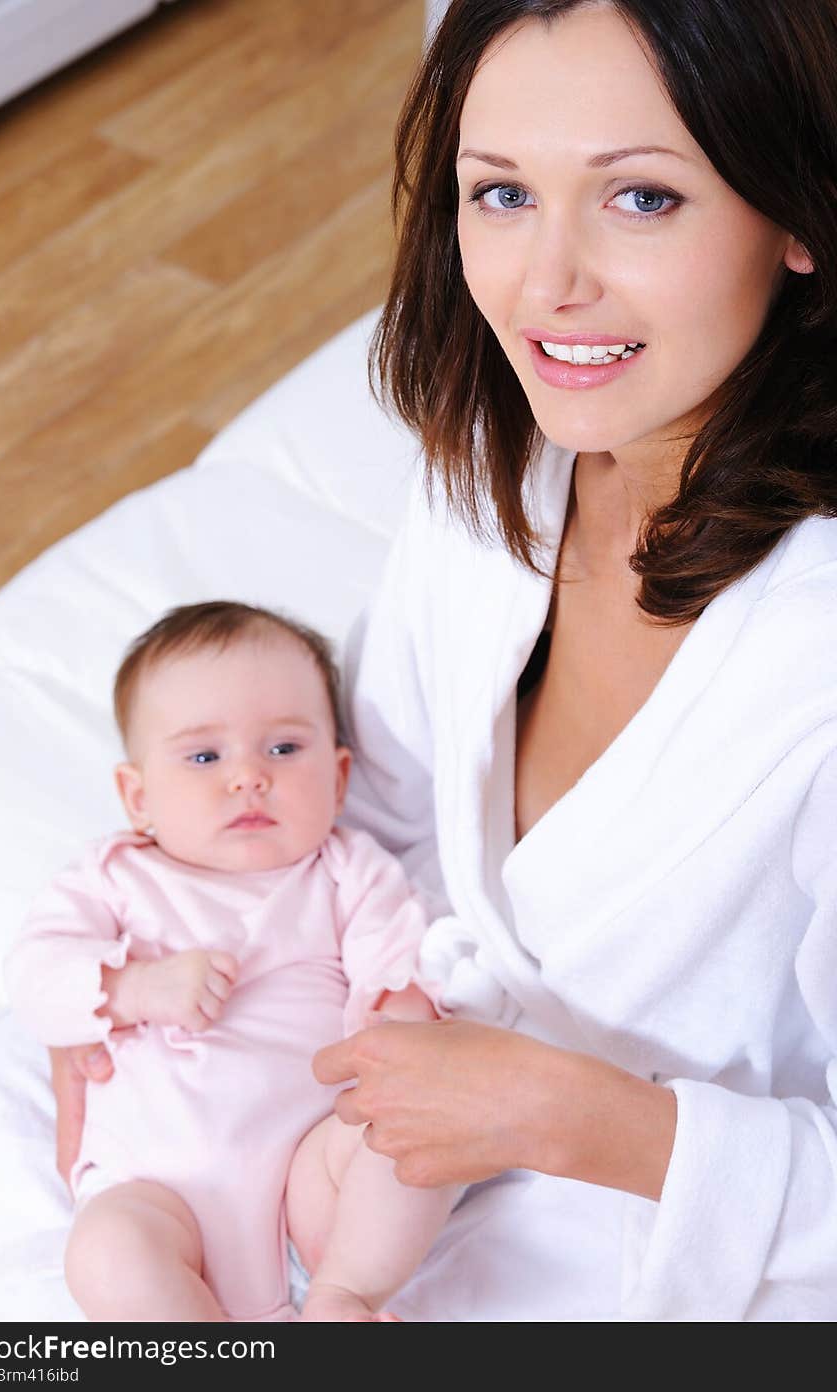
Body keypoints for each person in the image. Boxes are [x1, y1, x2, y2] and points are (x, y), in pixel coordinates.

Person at [54, 0, 837, 1320]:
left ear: (797, 213)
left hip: (676, 1233)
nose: (547, 283)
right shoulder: (494, 474)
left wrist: (579, 1117)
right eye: (501, 194)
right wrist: (156, 981)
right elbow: (381, 814)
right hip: (365, 1127)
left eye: (642, 197)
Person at [9, 602, 455, 1322]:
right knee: (106, 1252)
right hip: (160, 1188)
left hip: (312, 1174)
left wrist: (403, 1019)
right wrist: (132, 988)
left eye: (283, 749)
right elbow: (34, 977)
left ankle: (347, 1296)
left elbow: (397, 962)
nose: (248, 777)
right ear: (138, 796)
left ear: (339, 779)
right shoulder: (111, 878)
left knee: (410, 1135)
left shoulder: (346, 871)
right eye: (204, 756)